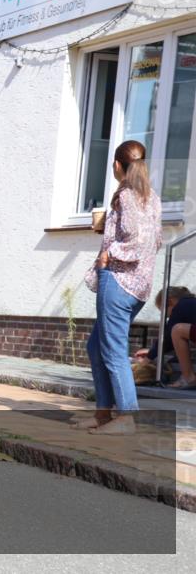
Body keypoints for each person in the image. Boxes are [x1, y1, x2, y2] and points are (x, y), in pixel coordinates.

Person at [78, 140, 162, 435]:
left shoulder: (126, 195)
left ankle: (126, 417)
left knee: (113, 351)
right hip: (139, 285)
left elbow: (138, 240)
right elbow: (156, 240)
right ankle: (103, 414)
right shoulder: (151, 197)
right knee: (96, 346)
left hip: (118, 282)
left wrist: (109, 253)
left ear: (117, 165)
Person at [134, 287, 196, 388]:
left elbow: (168, 338)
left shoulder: (181, 305)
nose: (168, 318)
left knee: (177, 329)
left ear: (169, 302)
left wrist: (147, 359)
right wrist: (151, 351)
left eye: (167, 314)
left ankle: (189, 378)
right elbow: (172, 342)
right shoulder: (190, 304)